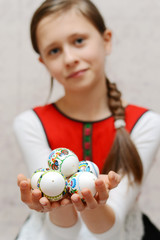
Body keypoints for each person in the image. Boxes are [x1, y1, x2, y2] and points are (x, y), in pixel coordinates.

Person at [14, 0, 160, 239]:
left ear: (106, 40)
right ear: (44, 62)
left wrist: (95, 206)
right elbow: (61, 231)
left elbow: (112, 229)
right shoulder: (29, 123)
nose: (70, 58)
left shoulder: (146, 123)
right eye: (54, 50)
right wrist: (58, 202)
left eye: (79, 41)